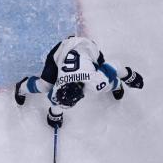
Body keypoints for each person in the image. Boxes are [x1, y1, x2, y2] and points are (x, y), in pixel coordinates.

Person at [14, 36, 144, 128]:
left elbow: (114, 65)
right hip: (61, 50)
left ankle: (116, 85)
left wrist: (128, 76)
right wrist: (55, 116)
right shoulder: (59, 86)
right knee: (44, 86)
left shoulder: (95, 80)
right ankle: (21, 87)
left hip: (87, 48)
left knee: (105, 84)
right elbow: (57, 101)